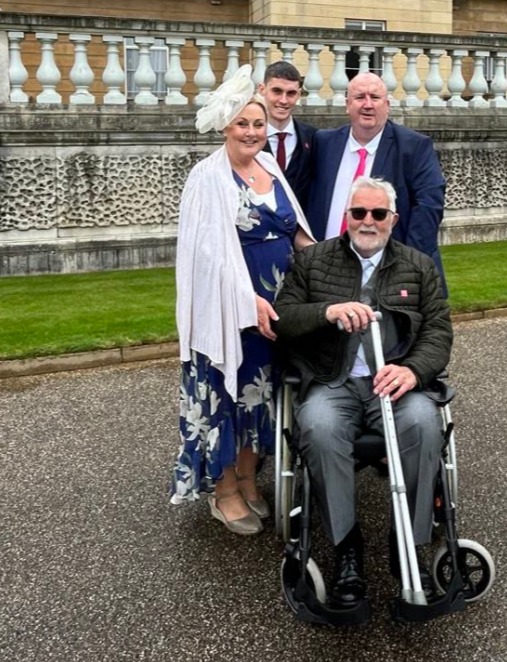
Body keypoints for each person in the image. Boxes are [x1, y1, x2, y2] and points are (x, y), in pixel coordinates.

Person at [274, 176, 452, 607]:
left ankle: (406, 546)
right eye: (358, 213)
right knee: (316, 427)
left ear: (393, 219)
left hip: (393, 385)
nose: (367, 222)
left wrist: (412, 370)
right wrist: (327, 310)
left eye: (377, 214)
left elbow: (439, 332)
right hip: (333, 382)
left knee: (426, 425)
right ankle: (346, 549)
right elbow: (283, 318)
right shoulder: (313, 262)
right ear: (346, 216)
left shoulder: (418, 265)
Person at [169, 64, 315, 536]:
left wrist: (333, 268)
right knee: (228, 398)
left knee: (262, 397)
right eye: (243, 124)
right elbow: (202, 256)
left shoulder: (270, 167)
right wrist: (246, 300)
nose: (252, 132)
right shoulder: (207, 177)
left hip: (279, 309)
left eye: (258, 124)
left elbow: (296, 233)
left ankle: (251, 480)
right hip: (230, 313)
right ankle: (224, 490)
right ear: (226, 128)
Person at [307, 72, 448, 296]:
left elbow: (428, 209)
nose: (368, 105)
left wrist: (404, 269)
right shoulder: (323, 143)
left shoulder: (414, 147)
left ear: (387, 105)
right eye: (360, 97)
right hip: (328, 275)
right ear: (347, 104)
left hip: (392, 276)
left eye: (375, 97)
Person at [258, 61, 318, 213]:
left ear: (298, 94)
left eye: (290, 93)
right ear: (262, 90)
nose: (283, 100)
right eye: (277, 91)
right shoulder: (249, 139)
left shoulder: (314, 138)